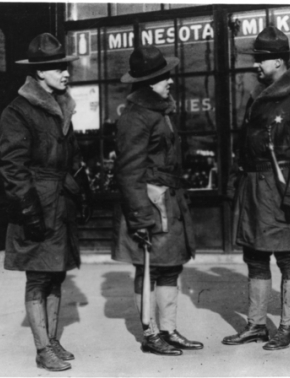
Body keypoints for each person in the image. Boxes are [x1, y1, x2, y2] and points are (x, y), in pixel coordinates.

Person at [222, 26, 290, 351]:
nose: (256, 66)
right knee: (255, 257)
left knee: (288, 258)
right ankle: (255, 325)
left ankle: (288, 327)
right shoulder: (257, 97)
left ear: (279, 62)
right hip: (255, 189)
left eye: (261, 60)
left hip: (282, 189)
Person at [0, 33, 88, 372]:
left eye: (65, 66)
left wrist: (82, 189)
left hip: (60, 201)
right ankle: (41, 349)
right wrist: (28, 211)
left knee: (56, 274)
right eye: (57, 67)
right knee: (38, 277)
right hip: (35, 202)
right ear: (38, 73)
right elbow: (12, 167)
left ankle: (51, 340)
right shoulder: (18, 111)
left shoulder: (63, 106)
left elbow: (72, 156)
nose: (65, 73)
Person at [111, 45, 202, 356]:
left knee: (170, 267)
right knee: (147, 269)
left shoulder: (160, 111)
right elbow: (128, 170)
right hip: (149, 202)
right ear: (149, 82)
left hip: (168, 199)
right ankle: (150, 333)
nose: (170, 81)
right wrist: (139, 217)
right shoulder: (135, 117)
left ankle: (169, 330)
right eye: (164, 77)